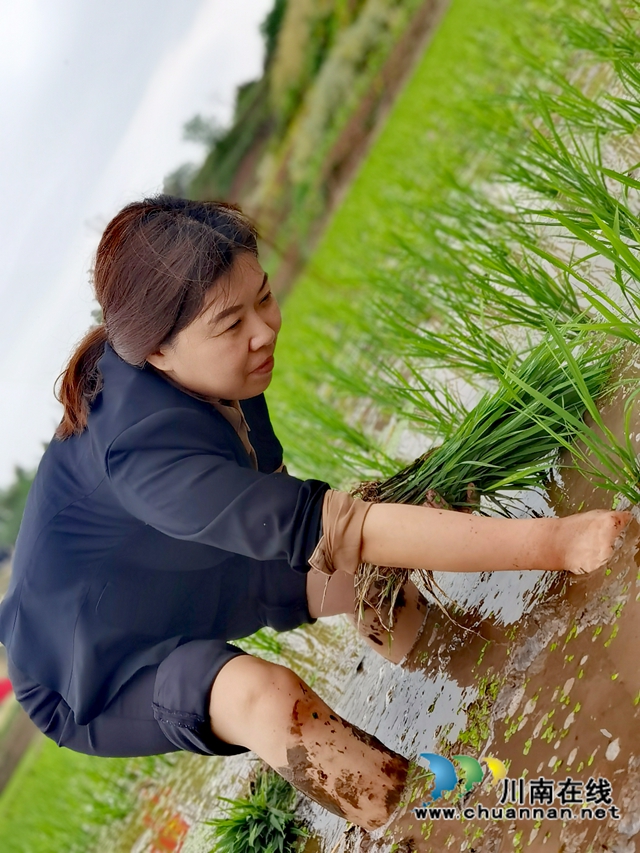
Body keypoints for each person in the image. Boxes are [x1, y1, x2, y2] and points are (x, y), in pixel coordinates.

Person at [0, 196, 631, 832]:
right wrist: (558, 542)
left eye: (264, 298)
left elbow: (310, 523)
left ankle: (488, 681)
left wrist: (400, 516)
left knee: (369, 576)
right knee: (266, 700)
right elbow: (338, 528)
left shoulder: (222, 372)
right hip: (89, 665)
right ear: (157, 353)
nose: (264, 331)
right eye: (230, 323)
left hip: (188, 562)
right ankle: (427, 827)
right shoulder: (141, 451)